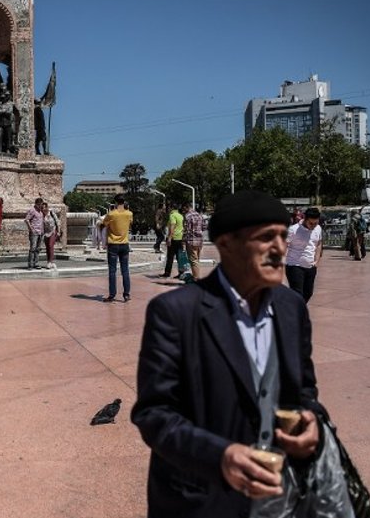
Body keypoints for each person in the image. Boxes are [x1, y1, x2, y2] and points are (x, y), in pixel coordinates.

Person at [132, 190, 332, 518]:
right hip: (200, 499)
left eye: (283, 236)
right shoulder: (175, 312)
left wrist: (313, 422)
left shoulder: (292, 307)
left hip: (279, 496)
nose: (280, 248)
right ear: (226, 244)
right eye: (266, 237)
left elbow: (305, 391)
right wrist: (221, 456)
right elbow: (154, 414)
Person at [98, 194, 133, 302]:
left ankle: (112, 295)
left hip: (113, 244)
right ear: (124, 202)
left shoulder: (111, 214)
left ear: (116, 202)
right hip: (125, 244)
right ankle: (126, 294)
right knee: (125, 270)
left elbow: (103, 224)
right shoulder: (129, 214)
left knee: (112, 271)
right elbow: (130, 224)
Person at [285, 207, 323, 303]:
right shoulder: (293, 230)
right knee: (297, 293)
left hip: (310, 266)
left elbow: (318, 244)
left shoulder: (318, 229)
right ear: (305, 219)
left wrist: (317, 261)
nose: (313, 226)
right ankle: (296, 315)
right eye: (311, 223)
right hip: (294, 265)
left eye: (315, 223)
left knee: (308, 293)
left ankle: (294, 309)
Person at [161, 204, 184, 278]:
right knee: (179, 257)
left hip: (174, 238)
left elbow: (172, 227)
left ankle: (167, 273)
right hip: (180, 238)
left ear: (171, 208)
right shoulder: (180, 216)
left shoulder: (172, 215)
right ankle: (181, 273)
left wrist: (169, 238)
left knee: (170, 257)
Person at [183, 204, 206, 280]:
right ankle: (196, 277)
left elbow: (186, 230)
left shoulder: (188, 216)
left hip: (191, 241)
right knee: (197, 260)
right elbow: (204, 227)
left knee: (193, 260)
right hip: (200, 241)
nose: (184, 211)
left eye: (184, 209)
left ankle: (196, 279)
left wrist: (183, 241)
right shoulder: (200, 215)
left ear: (187, 207)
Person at [25, 197, 45, 269]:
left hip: (41, 232)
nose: (40, 206)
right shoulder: (32, 210)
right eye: (39, 204)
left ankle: (36, 263)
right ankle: (30, 264)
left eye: (41, 204)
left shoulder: (41, 211)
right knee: (32, 248)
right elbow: (26, 220)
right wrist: (31, 229)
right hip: (34, 232)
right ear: (36, 204)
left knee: (38, 248)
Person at [41, 201, 62, 270]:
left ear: (47, 207)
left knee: (50, 245)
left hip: (53, 231)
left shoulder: (51, 213)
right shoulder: (41, 215)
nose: (43, 209)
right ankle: (49, 262)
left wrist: (58, 231)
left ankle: (51, 261)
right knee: (47, 248)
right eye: (42, 208)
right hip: (46, 233)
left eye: (44, 207)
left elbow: (57, 221)